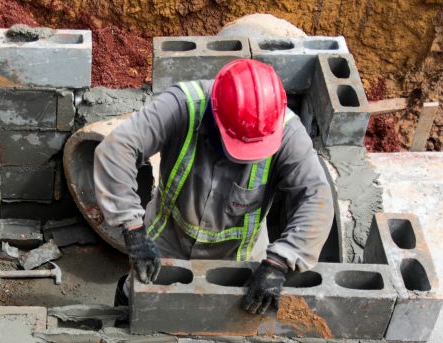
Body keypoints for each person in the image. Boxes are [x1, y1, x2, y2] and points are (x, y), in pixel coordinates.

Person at [94, 58, 334, 315]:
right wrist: (133, 229)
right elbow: (117, 149)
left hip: (240, 253)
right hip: (170, 236)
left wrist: (279, 263)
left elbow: (315, 197)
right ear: (215, 116)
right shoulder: (181, 105)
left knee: (230, 319)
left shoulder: (285, 132)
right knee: (139, 300)